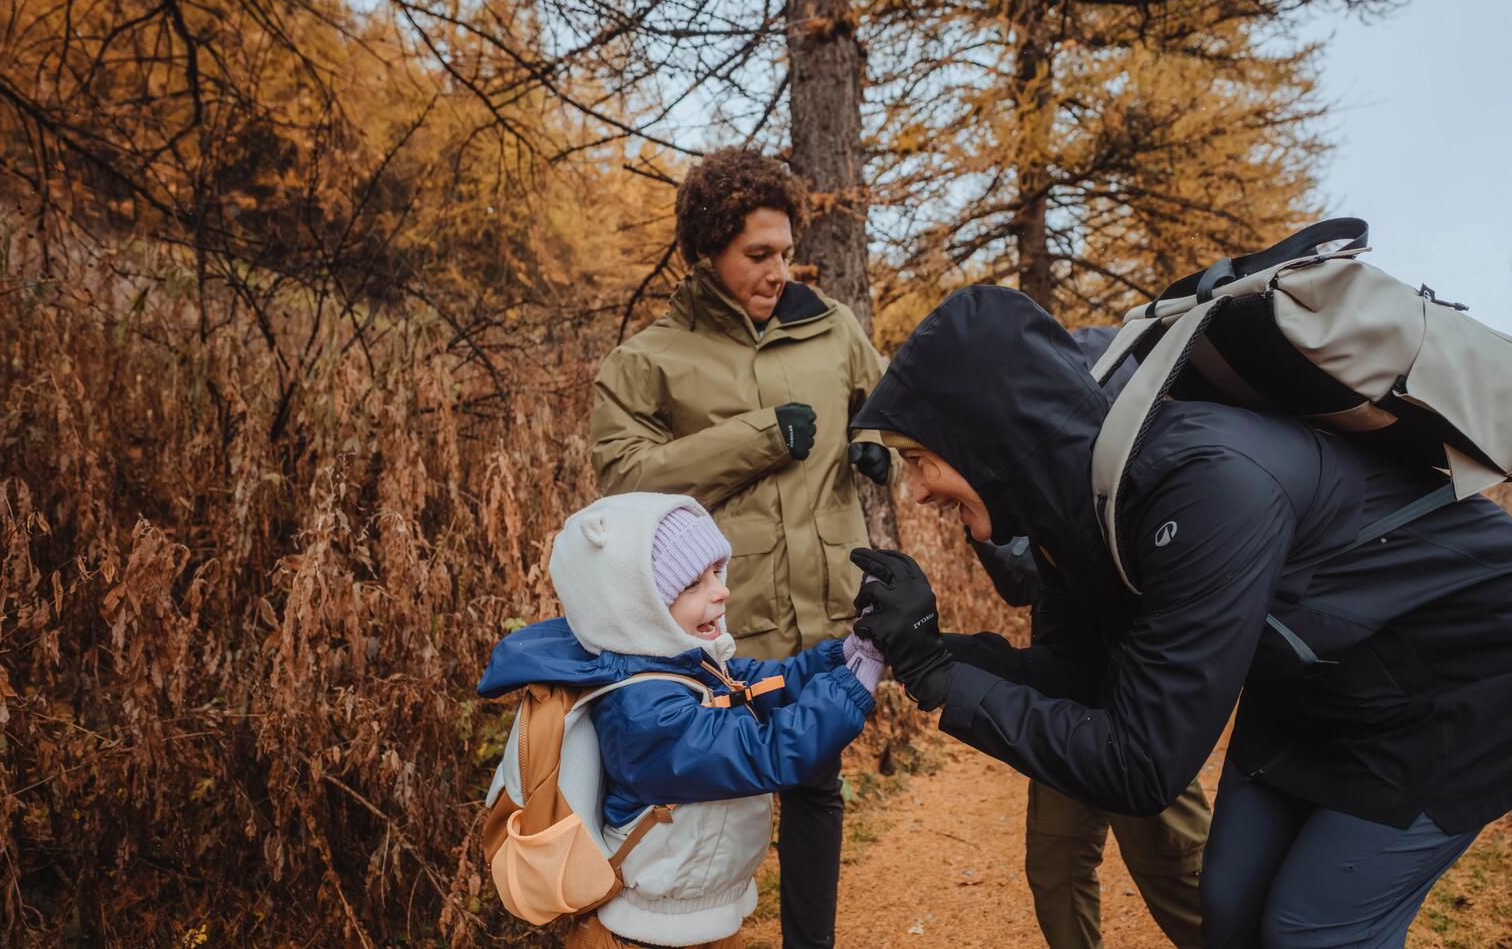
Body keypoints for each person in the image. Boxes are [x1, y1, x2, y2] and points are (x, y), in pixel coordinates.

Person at [848, 287, 1512, 948]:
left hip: (1472, 673)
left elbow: (1141, 767)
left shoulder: (1202, 486)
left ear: (985, 435)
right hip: (1321, 675)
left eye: (922, 459)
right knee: (1229, 911)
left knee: (1311, 931)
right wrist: (928, 649)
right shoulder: (1074, 507)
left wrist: (946, 680)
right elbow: (1079, 679)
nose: (915, 492)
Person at [591, 147, 890, 948]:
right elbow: (622, 484)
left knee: (817, 787)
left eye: (786, 252)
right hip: (719, 625)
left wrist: (877, 446)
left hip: (825, 603)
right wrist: (758, 436)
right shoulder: (649, 359)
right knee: (707, 799)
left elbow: (892, 406)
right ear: (706, 252)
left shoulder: (832, 328)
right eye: (758, 255)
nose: (779, 270)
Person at [478, 494, 881, 949]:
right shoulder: (644, 712)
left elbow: (770, 684)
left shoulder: (687, 670)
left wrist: (846, 654)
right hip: (641, 937)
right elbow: (764, 753)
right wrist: (854, 683)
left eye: (715, 572)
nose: (721, 590)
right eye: (693, 584)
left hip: (696, 924)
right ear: (638, 609)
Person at [964, 326, 1209, 949]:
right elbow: (1025, 585)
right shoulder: (1027, 467)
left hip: (1138, 710)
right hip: (1067, 701)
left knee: (1176, 874)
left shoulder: (1144, 462)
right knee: (1055, 869)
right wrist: (982, 513)